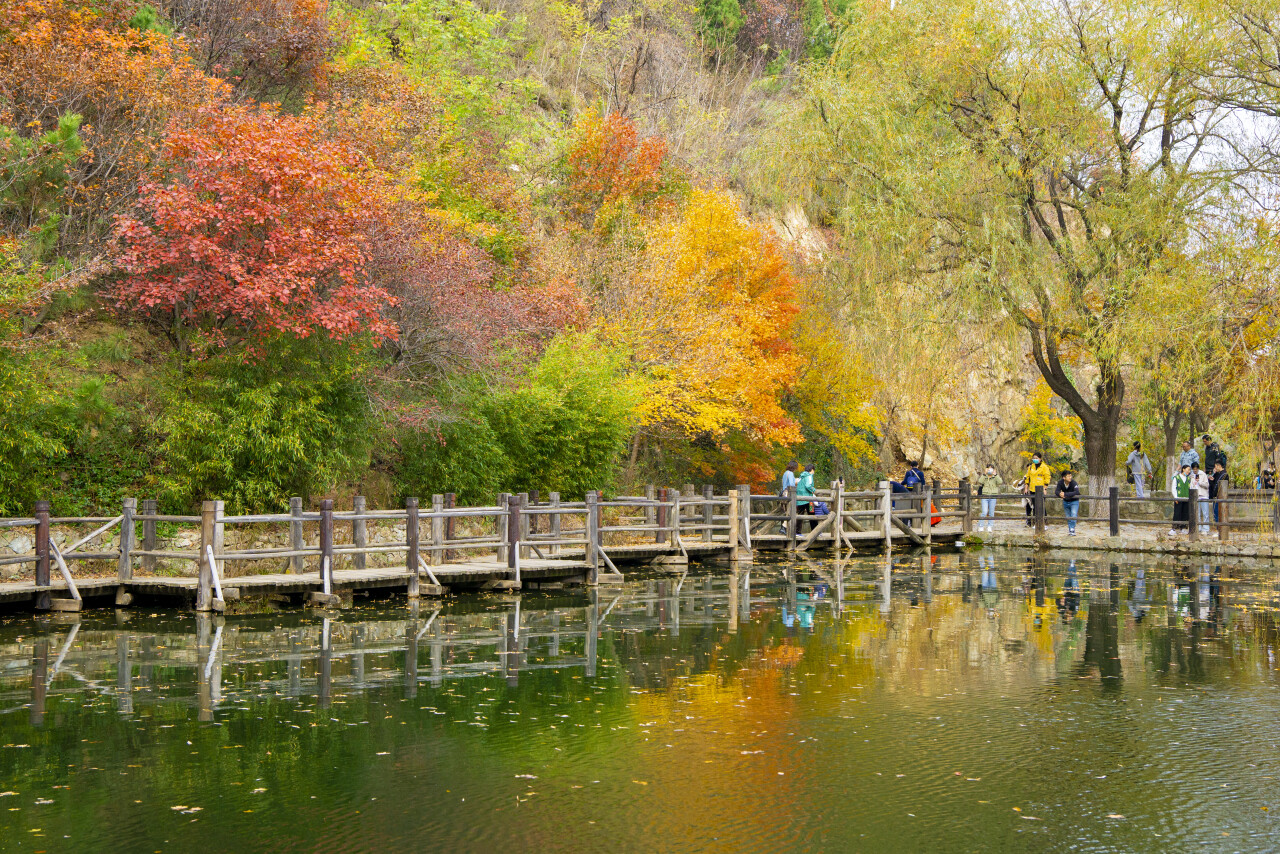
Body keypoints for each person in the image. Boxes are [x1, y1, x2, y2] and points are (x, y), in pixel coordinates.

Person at [976, 465, 1003, 532]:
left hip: (993, 496)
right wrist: (984, 474)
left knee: (991, 512)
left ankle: (990, 526)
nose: (990, 470)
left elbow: (1000, 482)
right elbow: (980, 481)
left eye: (991, 469)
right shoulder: (984, 477)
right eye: (988, 469)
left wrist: (995, 474)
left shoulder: (995, 477)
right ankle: (981, 526)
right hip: (985, 496)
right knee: (984, 512)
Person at [1055, 469, 1081, 535]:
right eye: (1068, 476)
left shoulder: (1073, 483)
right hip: (1066, 501)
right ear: (1064, 477)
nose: (1070, 477)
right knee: (1068, 516)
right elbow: (1057, 491)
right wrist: (1060, 494)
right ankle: (1070, 530)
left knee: (1073, 514)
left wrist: (1065, 494)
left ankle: (1072, 529)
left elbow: (1077, 492)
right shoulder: (1060, 482)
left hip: (1074, 501)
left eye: (1070, 476)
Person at [1190, 462, 1212, 535]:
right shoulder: (1191, 475)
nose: (1195, 470)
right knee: (1197, 513)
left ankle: (1205, 528)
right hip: (1195, 496)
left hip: (1203, 495)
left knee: (1205, 513)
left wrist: (1199, 482)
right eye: (1194, 469)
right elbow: (1191, 485)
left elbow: (1207, 485)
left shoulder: (1203, 474)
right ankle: (1198, 527)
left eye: (1196, 469)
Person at [1170, 463, 1191, 535]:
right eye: (1188, 469)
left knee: (1185, 513)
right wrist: (1175, 497)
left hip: (1186, 498)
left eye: (1189, 470)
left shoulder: (1189, 479)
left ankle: (1183, 527)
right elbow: (1173, 488)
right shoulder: (1177, 478)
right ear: (1183, 469)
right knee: (1177, 513)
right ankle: (1174, 528)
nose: (1189, 471)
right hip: (1179, 497)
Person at [796, 463, 816, 535]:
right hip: (808, 499)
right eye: (813, 470)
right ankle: (815, 531)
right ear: (812, 470)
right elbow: (808, 486)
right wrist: (813, 490)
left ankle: (797, 532)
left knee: (800, 515)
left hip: (800, 499)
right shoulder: (809, 476)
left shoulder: (801, 477)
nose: (814, 472)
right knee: (812, 514)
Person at [780, 461, 798, 535]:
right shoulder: (790, 473)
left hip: (784, 493)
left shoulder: (785, 473)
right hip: (789, 494)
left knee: (787, 511)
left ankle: (784, 528)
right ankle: (784, 527)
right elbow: (791, 484)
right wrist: (796, 482)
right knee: (791, 510)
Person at [1209, 460, 1228, 527]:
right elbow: (1214, 485)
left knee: (1219, 514)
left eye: (1215, 467)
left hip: (1220, 497)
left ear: (1219, 466)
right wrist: (1212, 480)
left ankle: (1220, 528)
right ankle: (1218, 527)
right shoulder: (1218, 474)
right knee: (1216, 514)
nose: (1215, 468)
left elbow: (1219, 487)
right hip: (1216, 497)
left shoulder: (1224, 475)